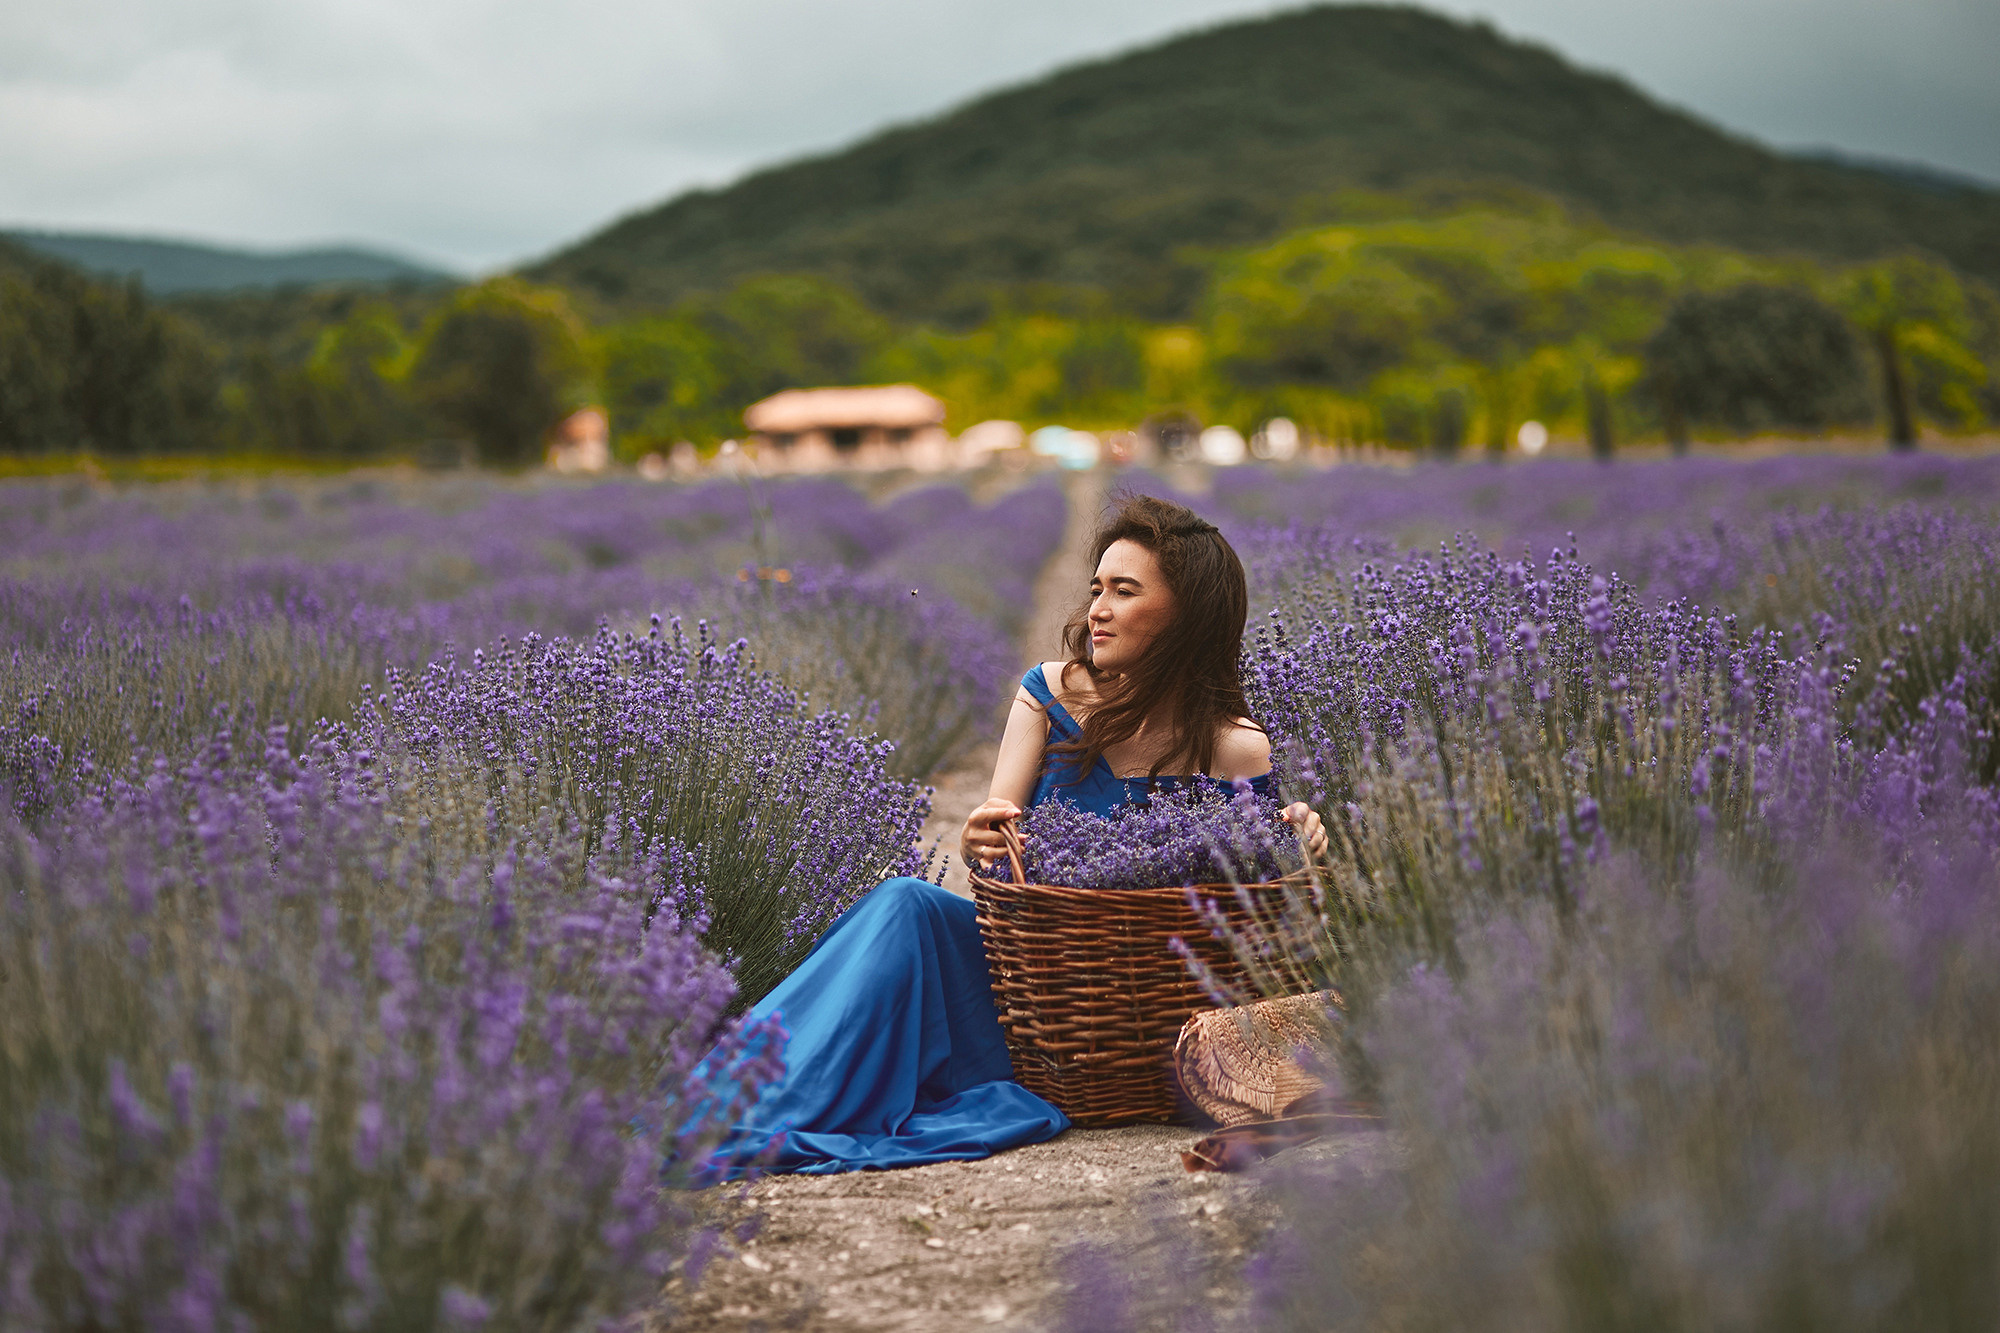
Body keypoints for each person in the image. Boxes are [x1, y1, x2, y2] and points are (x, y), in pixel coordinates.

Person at [702, 495, 1327, 1176]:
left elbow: (1263, 907)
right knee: (907, 906)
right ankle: (742, 1094)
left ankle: (770, 1091)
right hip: (1028, 989)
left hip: (1136, 1010)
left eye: (1124, 590)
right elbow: (999, 824)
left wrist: (1303, 842)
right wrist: (982, 838)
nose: (1097, 609)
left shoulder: (1234, 747)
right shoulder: (1049, 692)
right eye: (1096, 589)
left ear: (1187, 613)